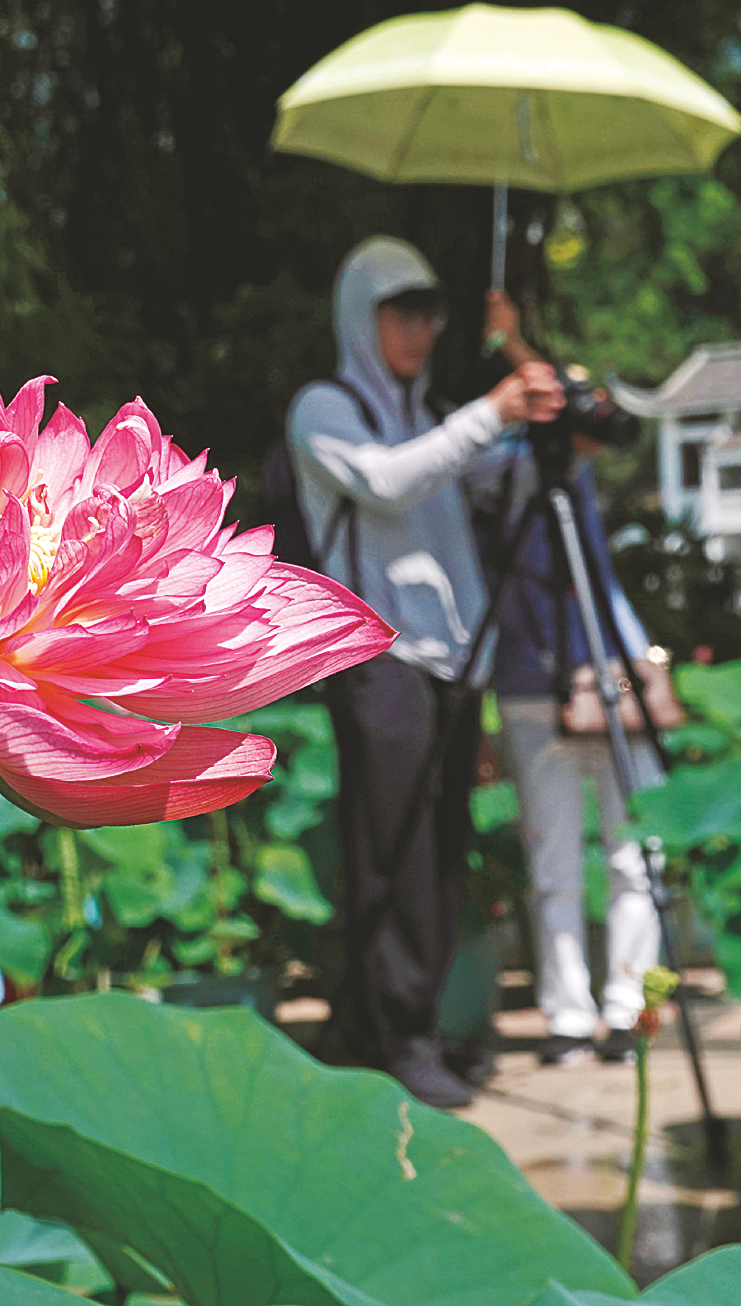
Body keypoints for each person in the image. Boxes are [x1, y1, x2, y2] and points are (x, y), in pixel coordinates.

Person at [286, 234, 561, 1108]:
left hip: (450, 658)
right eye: (399, 310)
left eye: (429, 312)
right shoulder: (323, 409)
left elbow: (500, 484)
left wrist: (544, 415)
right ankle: (388, 1034)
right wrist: (490, 412)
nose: (418, 327)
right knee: (389, 852)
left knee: (440, 850)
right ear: (359, 315)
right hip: (379, 659)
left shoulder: (431, 416)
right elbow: (388, 483)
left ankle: (411, 1025)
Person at [484, 431, 663, 1067]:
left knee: (635, 857)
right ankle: (566, 1013)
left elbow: (601, 578)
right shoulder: (495, 467)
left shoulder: (577, 477)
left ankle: (627, 1006)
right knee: (551, 864)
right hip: (529, 681)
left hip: (610, 667)